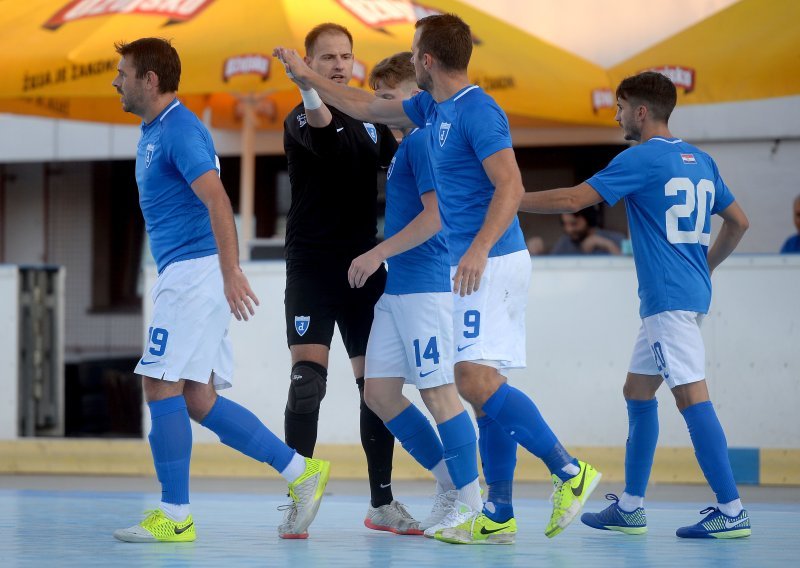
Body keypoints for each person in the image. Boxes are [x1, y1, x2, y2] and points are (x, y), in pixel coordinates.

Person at [275, 13, 601, 545]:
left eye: (409, 56)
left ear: (426, 60)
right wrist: (306, 79)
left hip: (470, 268)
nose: (382, 96)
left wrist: (472, 249)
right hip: (414, 282)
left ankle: (546, 478)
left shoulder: (469, 115)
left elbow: (506, 188)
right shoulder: (429, 114)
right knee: (383, 393)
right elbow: (363, 105)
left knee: (466, 384)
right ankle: (482, 500)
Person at [110, 38, 329, 543]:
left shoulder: (179, 129)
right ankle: (301, 472)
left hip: (193, 274)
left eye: (123, 72)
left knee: (158, 384)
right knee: (198, 397)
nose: (116, 81)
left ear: (150, 79)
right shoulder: (156, 130)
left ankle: (175, 515)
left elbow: (217, 199)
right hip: (187, 272)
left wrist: (230, 271)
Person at [518, 71, 752, 539]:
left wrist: (509, 198)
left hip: (667, 300)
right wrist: (704, 268)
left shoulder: (641, 157)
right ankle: (630, 507)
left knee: (691, 396)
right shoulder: (701, 160)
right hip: (684, 295)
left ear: (641, 111)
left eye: (621, 108)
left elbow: (573, 198)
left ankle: (732, 510)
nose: (617, 116)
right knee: (637, 391)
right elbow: (739, 222)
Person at [279, 23, 414, 537]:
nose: (339, 64)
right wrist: (307, 85)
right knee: (307, 384)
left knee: (376, 390)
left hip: (364, 268)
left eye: (345, 56)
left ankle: (382, 503)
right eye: (327, 57)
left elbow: (404, 162)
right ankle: (299, 494)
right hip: (312, 268)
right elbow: (321, 124)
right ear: (310, 62)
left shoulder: (371, 119)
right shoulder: (301, 114)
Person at [348, 52, 485, 538]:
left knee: (438, 393)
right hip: (399, 290)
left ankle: (472, 505)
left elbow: (435, 218)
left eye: (389, 97)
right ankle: (451, 482)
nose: (383, 108)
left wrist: (376, 253)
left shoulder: (424, 139)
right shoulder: (408, 145)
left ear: (416, 96)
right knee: (379, 394)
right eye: (378, 98)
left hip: (425, 291)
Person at [550, 206, 625, 255]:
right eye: (564, 224)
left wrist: (607, 245)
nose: (569, 229)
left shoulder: (616, 238)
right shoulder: (565, 242)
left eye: (574, 224)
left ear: (589, 220)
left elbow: (627, 268)